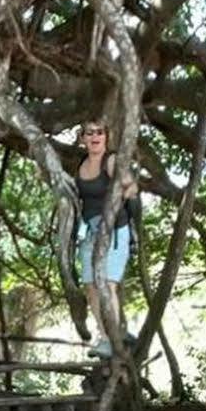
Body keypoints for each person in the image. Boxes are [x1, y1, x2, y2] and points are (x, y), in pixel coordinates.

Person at [73, 120, 138, 359]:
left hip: (114, 232)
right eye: (89, 132)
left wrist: (118, 199)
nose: (95, 136)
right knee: (91, 287)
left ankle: (113, 338)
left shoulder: (110, 161)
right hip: (90, 233)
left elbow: (131, 188)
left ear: (106, 137)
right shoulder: (81, 165)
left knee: (107, 285)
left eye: (99, 132)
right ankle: (106, 336)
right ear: (83, 138)